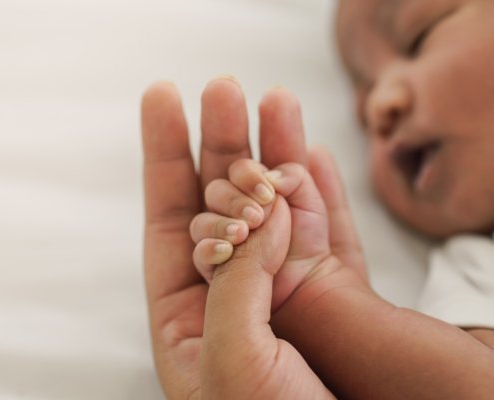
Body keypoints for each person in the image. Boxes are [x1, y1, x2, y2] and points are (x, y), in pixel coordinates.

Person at [141, 0, 494, 398]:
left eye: (419, 35)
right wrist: (311, 296)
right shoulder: (474, 269)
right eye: (362, 116)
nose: (379, 106)